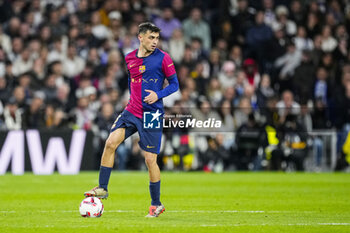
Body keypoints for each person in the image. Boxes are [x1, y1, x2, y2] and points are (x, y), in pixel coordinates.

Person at [84, 22, 179, 218]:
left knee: (149, 159)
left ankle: (156, 204)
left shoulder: (163, 58)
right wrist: (131, 99)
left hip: (152, 114)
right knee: (110, 143)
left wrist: (158, 95)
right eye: (151, 38)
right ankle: (102, 188)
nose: (155, 42)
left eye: (157, 38)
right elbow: (132, 81)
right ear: (141, 38)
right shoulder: (129, 58)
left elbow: (175, 84)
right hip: (132, 111)